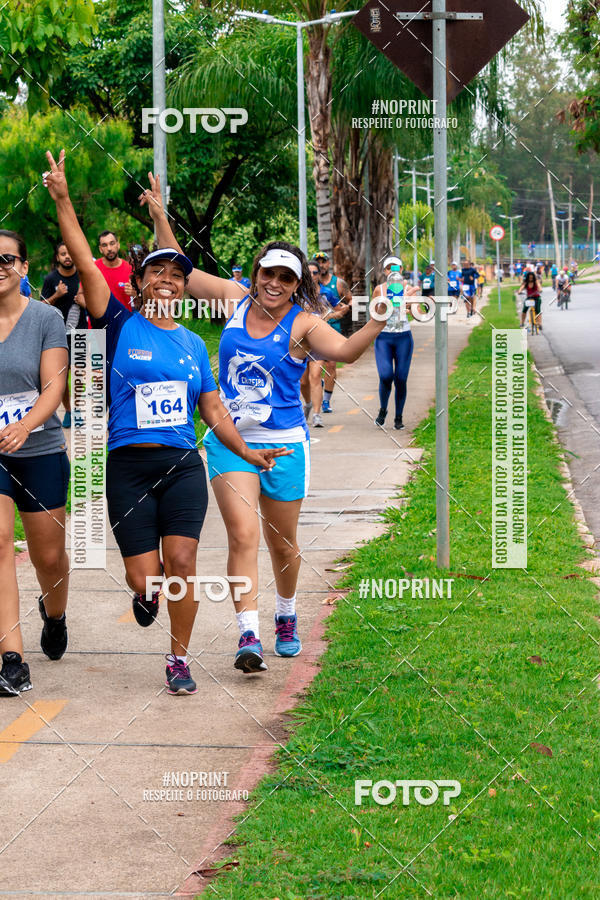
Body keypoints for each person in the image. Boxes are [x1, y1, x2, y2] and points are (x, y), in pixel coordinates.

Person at [44, 151, 284, 695]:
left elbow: (215, 410)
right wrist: (62, 198)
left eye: (177, 274)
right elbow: (84, 261)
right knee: (144, 577)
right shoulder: (119, 321)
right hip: (128, 467)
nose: (170, 281)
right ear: (142, 280)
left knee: (183, 562)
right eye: (159, 272)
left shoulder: (195, 345)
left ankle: (178, 659)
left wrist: (248, 454)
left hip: (181, 467)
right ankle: (145, 593)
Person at [140, 173, 393, 674]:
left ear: (298, 284)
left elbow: (344, 351)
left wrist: (378, 319)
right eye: (268, 274)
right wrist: (160, 219)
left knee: (283, 543)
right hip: (231, 442)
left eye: (286, 278)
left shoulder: (302, 323)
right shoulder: (234, 301)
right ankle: (249, 633)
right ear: (256, 273)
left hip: (284, 445)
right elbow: (183, 274)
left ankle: (286, 612)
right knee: (241, 536)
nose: (274, 284)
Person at [0, 230, 70, 696]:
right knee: (0, 541)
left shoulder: (45, 318)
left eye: (7, 258)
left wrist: (25, 426)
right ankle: (12, 658)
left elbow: (54, 386)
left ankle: (56, 613)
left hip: (39, 447)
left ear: (24, 267)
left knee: (48, 557)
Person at [41, 240, 86, 428]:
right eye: (62, 254)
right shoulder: (51, 279)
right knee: (61, 376)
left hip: (81, 333)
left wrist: (84, 302)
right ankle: (68, 410)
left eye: (69, 253)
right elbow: (40, 306)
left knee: (79, 376)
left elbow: (96, 304)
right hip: (57, 335)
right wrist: (56, 295)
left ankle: (77, 410)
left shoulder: (83, 276)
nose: (67, 257)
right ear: (58, 257)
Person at [373, 257, 419, 430]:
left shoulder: (408, 289)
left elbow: (418, 314)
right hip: (384, 338)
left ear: (401, 269)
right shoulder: (379, 290)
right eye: (388, 268)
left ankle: (398, 417)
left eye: (396, 268)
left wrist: (410, 306)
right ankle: (383, 409)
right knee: (385, 376)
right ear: (384, 271)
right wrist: (387, 306)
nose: (392, 271)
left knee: (401, 378)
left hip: (403, 337)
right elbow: (374, 314)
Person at [312, 251, 352, 413]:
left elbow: (350, 299)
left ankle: (326, 401)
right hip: (312, 330)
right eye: (318, 262)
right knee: (312, 368)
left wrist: (342, 311)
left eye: (324, 261)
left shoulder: (338, 283)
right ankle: (313, 397)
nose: (321, 265)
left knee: (331, 364)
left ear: (329, 264)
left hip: (333, 328)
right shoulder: (307, 285)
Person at [300, 262, 328, 428]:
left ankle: (317, 414)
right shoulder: (297, 293)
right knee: (303, 382)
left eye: (315, 272)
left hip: (318, 341)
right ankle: (308, 403)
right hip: (301, 342)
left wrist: (328, 316)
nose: (312, 275)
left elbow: (337, 309)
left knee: (315, 376)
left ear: (319, 275)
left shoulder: (326, 293)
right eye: (309, 272)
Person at [95, 230, 136, 310]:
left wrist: (134, 293)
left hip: (124, 320)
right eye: (104, 245)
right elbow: (81, 295)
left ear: (118, 245)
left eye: (112, 243)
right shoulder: (93, 268)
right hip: (100, 321)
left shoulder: (130, 268)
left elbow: (143, 296)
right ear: (100, 249)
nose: (109, 248)